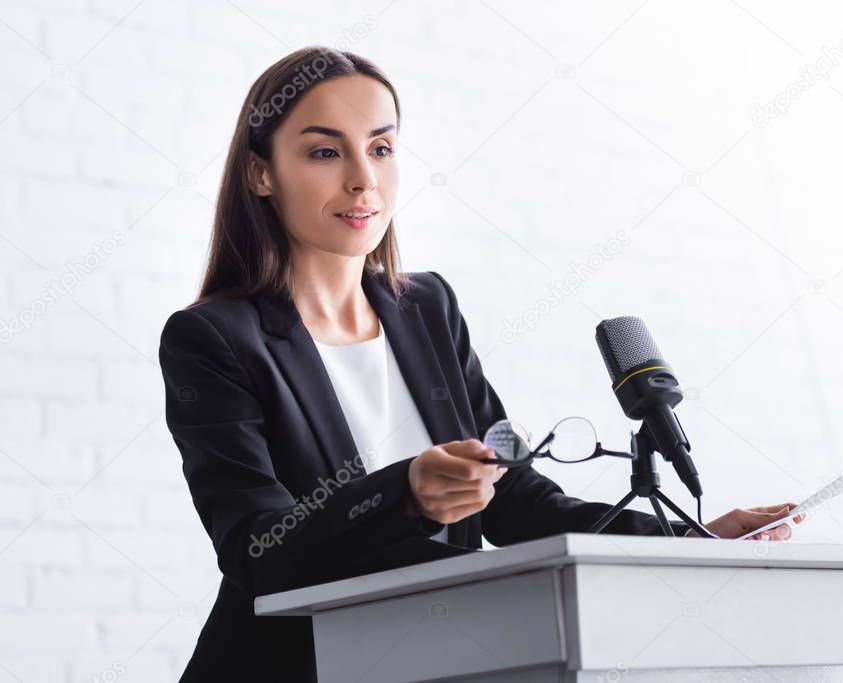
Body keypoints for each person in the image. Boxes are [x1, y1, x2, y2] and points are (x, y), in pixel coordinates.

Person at [158, 46, 803, 682]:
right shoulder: (212, 339)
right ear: (260, 173)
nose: (364, 180)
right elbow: (256, 551)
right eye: (326, 152)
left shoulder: (426, 308)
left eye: (381, 148)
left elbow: (514, 497)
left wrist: (686, 544)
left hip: (443, 662)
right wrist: (404, 493)